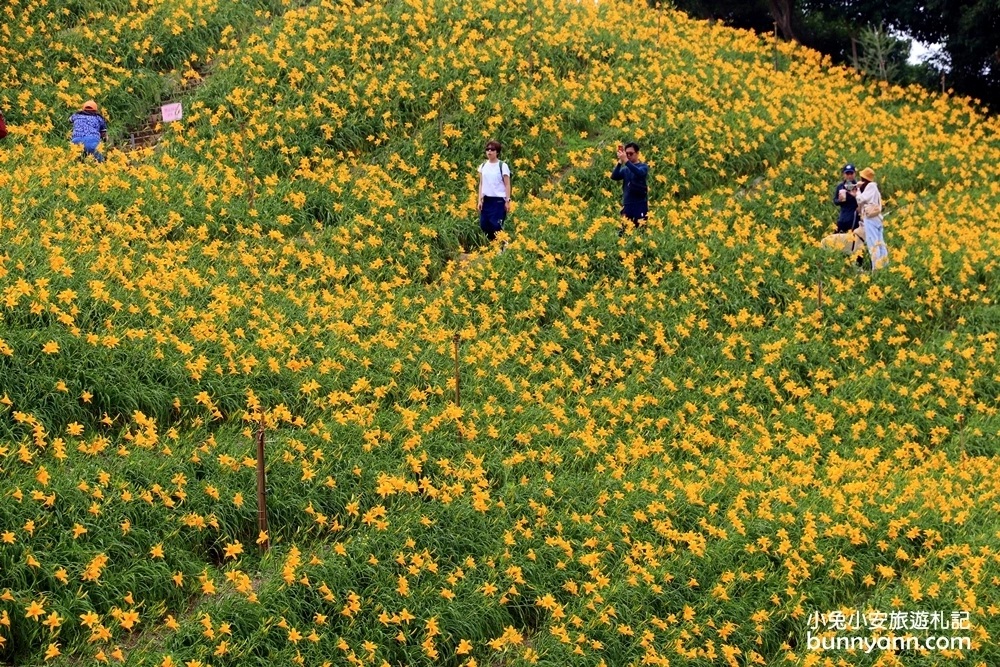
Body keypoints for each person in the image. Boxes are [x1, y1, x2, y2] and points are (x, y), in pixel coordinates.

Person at [852, 167, 889, 271]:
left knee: (873, 244)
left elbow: (860, 199)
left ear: (864, 179)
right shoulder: (875, 188)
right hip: (877, 219)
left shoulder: (871, 187)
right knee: (880, 243)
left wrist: (858, 190)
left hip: (871, 220)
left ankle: (876, 269)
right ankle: (884, 266)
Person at [477, 140, 511, 243]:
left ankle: (503, 245)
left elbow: (507, 184)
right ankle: (495, 244)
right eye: (487, 149)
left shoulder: (502, 166)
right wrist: (479, 200)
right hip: (486, 200)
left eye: (492, 149)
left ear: (497, 152)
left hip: (498, 201)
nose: (489, 152)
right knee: (484, 224)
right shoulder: (483, 166)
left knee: (496, 225)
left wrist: (507, 201)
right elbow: (481, 184)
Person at [611, 142, 649, 236]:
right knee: (623, 232)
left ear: (637, 153)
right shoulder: (626, 169)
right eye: (626, 154)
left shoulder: (643, 167)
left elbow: (639, 173)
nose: (628, 156)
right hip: (627, 204)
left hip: (640, 204)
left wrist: (626, 161)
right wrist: (620, 161)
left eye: (631, 154)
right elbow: (614, 176)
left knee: (641, 231)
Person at [833, 164, 859, 233]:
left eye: (851, 173)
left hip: (854, 218)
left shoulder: (858, 186)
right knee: (836, 237)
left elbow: (864, 202)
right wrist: (839, 200)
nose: (849, 175)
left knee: (852, 239)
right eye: (847, 173)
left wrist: (856, 196)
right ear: (843, 174)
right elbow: (835, 201)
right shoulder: (840, 186)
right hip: (842, 217)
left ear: (855, 174)